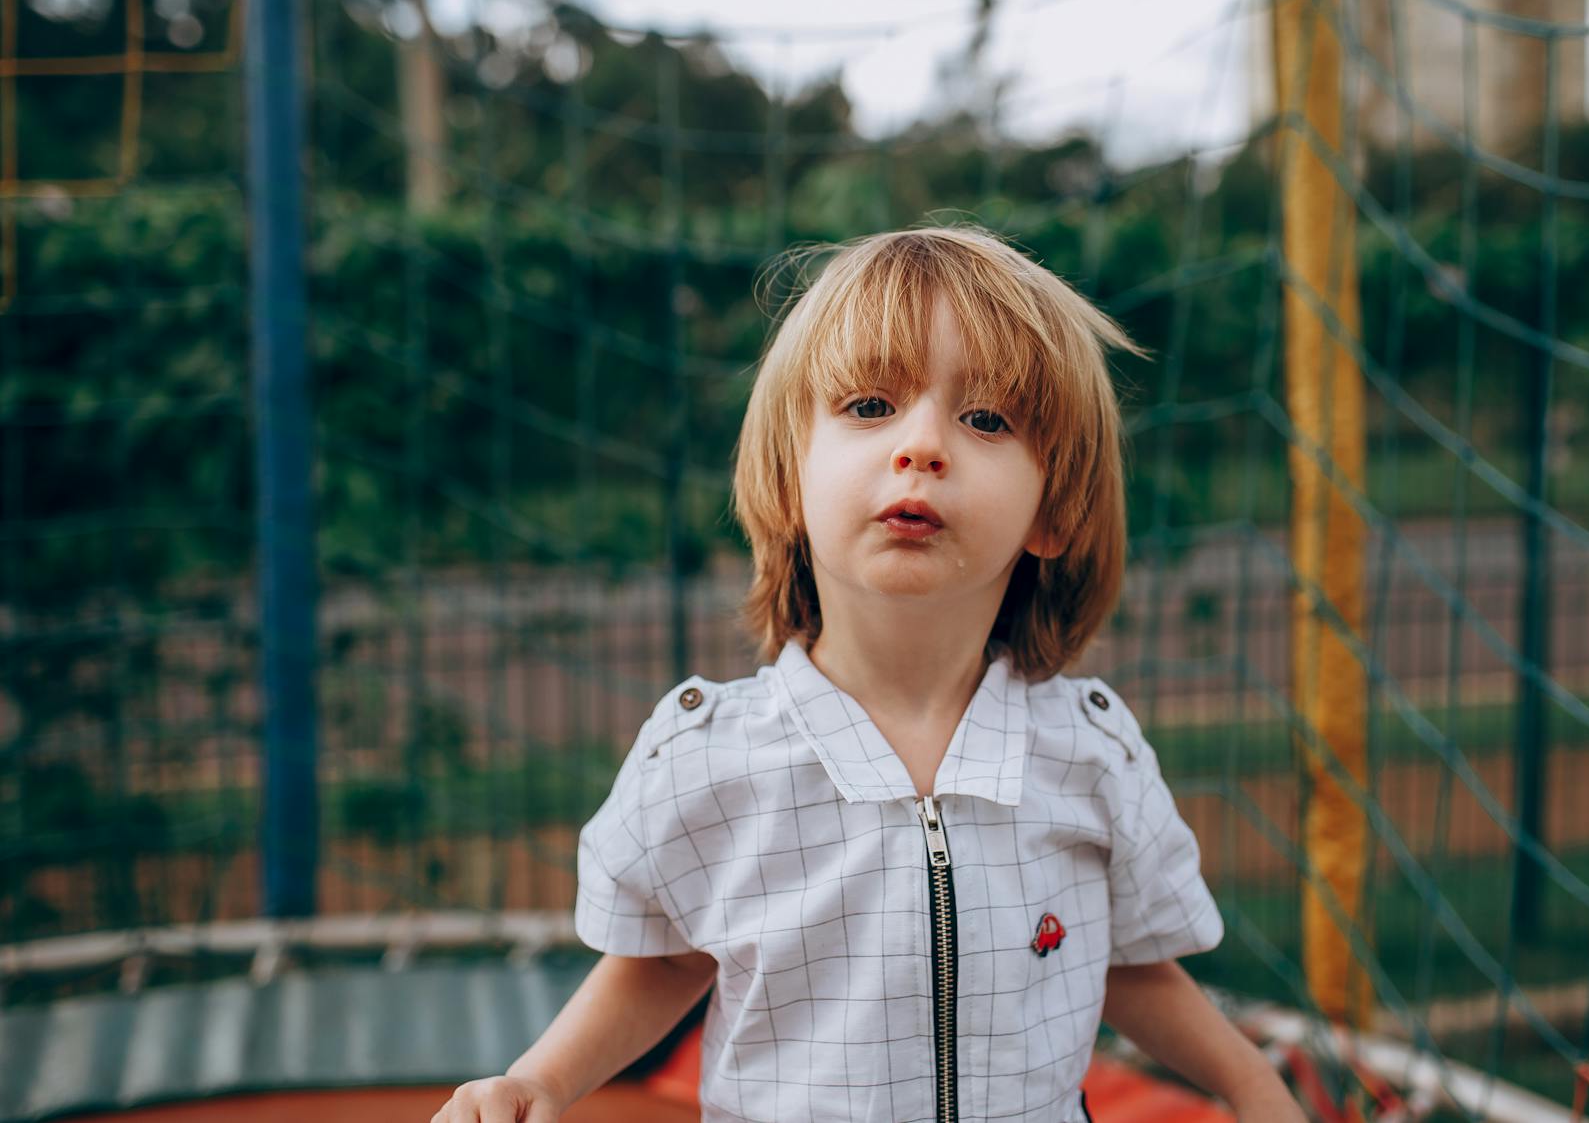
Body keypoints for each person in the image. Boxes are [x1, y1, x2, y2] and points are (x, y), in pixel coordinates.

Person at [432, 226, 1306, 1122]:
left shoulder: (1090, 751)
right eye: (869, 404)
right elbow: (663, 960)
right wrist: (537, 1079)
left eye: (987, 419)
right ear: (789, 482)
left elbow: (1129, 965)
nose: (923, 443)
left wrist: (1249, 1084)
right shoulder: (709, 758)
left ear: (1052, 513)